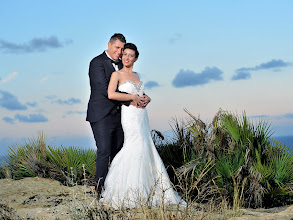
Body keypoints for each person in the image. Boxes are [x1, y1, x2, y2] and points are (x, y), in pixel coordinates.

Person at [100, 43, 185, 208]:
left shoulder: (138, 75)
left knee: (146, 145)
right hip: (130, 115)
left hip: (142, 115)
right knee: (135, 146)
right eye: (124, 54)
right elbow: (111, 94)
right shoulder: (116, 75)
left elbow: (141, 94)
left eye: (130, 55)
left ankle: (149, 189)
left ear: (136, 58)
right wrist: (131, 97)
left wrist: (148, 98)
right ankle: (128, 190)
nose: (126, 57)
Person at [86, 34, 150, 197]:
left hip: (121, 116)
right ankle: (99, 191)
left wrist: (144, 97)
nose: (120, 52)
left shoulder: (123, 66)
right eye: (117, 48)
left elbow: (131, 86)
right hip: (101, 115)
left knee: (119, 152)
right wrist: (131, 100)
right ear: (109, 45)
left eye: (122, 49)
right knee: (104, 151)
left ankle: (117, 189)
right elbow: (105, 90)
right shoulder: (97, 63)